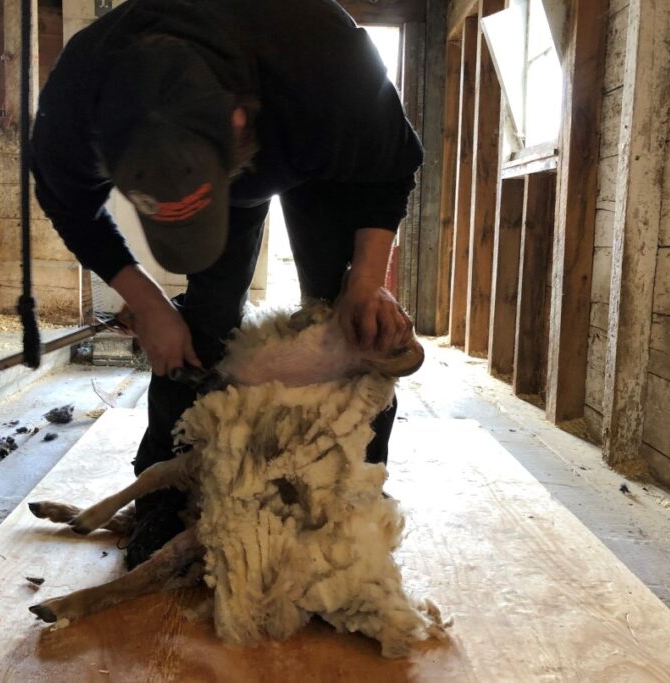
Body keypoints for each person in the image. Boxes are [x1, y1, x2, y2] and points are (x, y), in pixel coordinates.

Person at [31, 0, 424, 568]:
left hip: (317, 154)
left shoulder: (328, 62)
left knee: (348, 326)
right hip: (233, 153)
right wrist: (147, 301)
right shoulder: (80, 99)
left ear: (239, 120)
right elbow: (66, 201)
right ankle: (165, 495)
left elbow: (390, 167)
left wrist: (365, 281)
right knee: (205, 317)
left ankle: (350, 493)